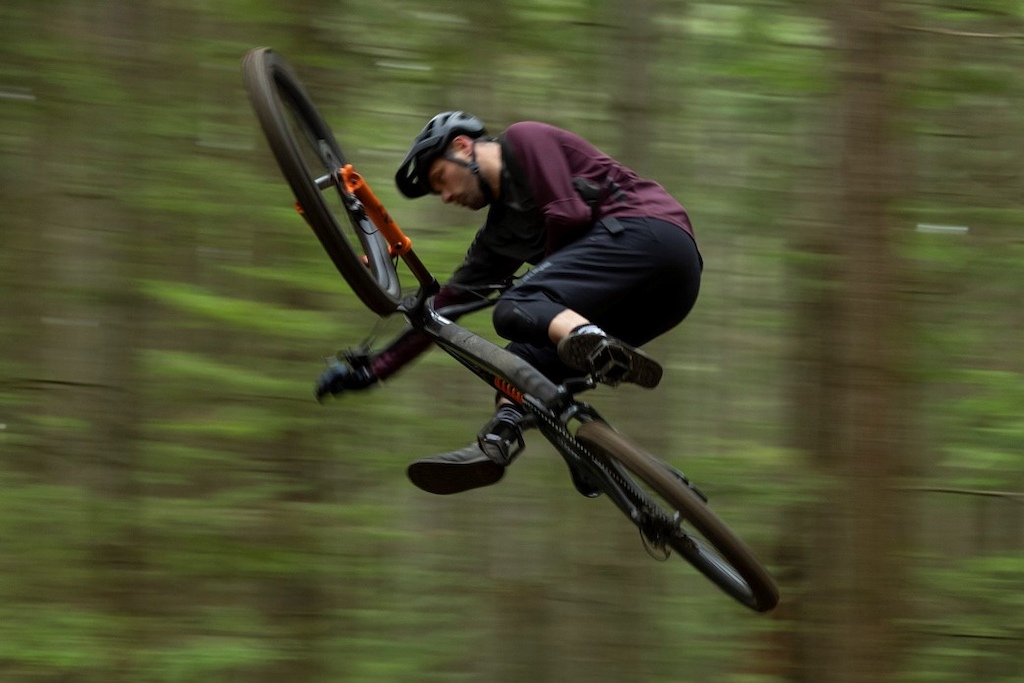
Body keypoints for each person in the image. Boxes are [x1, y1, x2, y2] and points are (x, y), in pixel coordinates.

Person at [316, 111, 702, 495]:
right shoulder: (498, 237)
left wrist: (528, 291)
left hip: (652, 234)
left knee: (516, 308)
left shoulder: (523, 141)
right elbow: (443, 311)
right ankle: (509, 442)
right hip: (667, 299)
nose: (447, 197)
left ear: (462, 147)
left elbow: (569, 214)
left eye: (441, 180)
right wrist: (375, 369)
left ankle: (588, 339)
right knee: (516, 364)